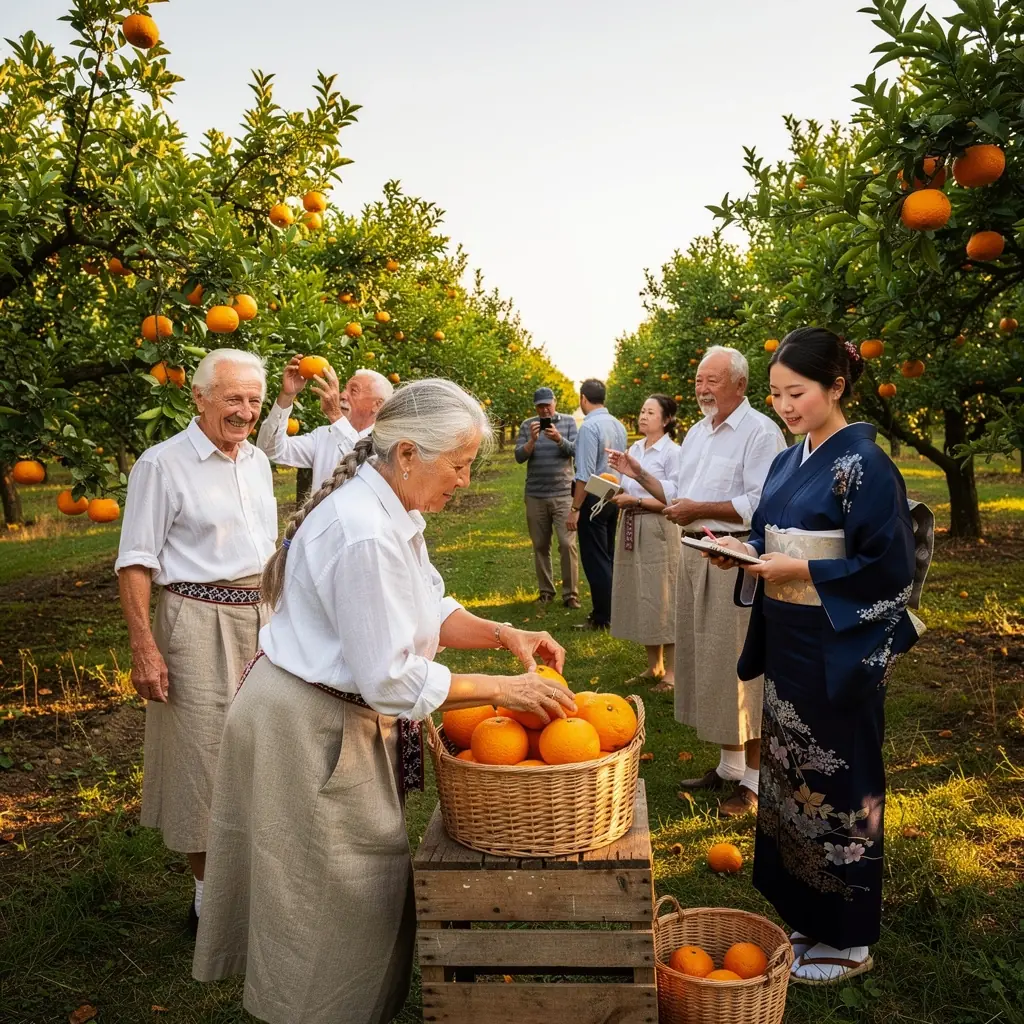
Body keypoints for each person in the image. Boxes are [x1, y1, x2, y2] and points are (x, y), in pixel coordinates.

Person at [193, 378, 576, 1024]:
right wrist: (505, 689)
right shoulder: (364, 530)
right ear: (406, 455)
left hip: (329, 711)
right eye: (457, 465)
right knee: (324, 897)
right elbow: (391, 680)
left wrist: (499, 632)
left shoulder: (394, 512)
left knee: (355, 886)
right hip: (310, 724)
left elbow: (423, 605)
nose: (463, 478)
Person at [705, 327, 932, 984]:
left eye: (797, 393)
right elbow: (765, 529)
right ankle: (807, 912)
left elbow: (888, 567)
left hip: (839, 644)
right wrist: (740, 550)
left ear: (836, 387)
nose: (785, 406)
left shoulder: (865, 464)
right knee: (790, 780)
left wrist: (797, 566)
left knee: (843, 781)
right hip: (790, 644)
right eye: (776, 394)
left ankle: (852, 936)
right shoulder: (787, 459)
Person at [115, 348, 277, 933]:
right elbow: (134, 561)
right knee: (201, 756)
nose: (244, 411)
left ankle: (251, 877)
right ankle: (209, 897)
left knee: (260, 745)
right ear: (200, 397)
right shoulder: (162, 464)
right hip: (195, 620)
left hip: (261, 620)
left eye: (254, 401)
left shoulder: (258, 461)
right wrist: (144, 647)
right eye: (232, 398)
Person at [608, 346, 784, 816]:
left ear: (740, 385)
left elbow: (760, 503)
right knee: (708, 661)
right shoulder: (699, 435)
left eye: (712, 380)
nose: (702, 388)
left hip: (735, 555)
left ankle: (754, 780)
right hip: (696, 552)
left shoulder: (760, 433)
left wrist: (698, 510)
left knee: (739, 662)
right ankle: (728, 766)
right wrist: (638, 472)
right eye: (699, 380)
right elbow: (678, 496)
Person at [608, 394, 682, 690]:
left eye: (650, 412)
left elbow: (675, 494)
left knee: (664, 594)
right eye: (642, 411)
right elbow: (625, 484)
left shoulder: (672, 452)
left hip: (658, 527)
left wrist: (637, 499)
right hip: (632, 524)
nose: (643, 416)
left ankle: (673, 672)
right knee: (643, 594)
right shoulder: (635, 448)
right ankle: (654, 665)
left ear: (666, 420)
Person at [256, 358, 394, 488]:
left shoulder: (389, 443)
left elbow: (363, 468)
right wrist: (286, 396)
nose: (342, 395)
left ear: (378, 405)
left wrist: (335, 415)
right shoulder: (324, 435)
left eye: (353, 391)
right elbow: (270, 449)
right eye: (344, 389)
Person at [568, 378, 628, 630]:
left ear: (583, 398)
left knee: (595, 559)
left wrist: (575, 509)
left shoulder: (589, 427)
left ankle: (603, 616)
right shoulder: (618, 425)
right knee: (607, 555)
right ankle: (612, 609)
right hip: (613, 494)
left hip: (594, 495)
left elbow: (584, 474)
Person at [514, 385, 579, 608]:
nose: (544, 411)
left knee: (566, 544)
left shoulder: (569, 422)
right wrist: (532, 441)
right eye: (540, 407)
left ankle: (571, 594)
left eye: (547, 405)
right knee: (540, 545)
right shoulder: (526, 426)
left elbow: (576, 451)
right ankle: (546, 591)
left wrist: (559, 439)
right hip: (535, 495)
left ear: (555, 403)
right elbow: (519, 457)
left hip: (562, 495)